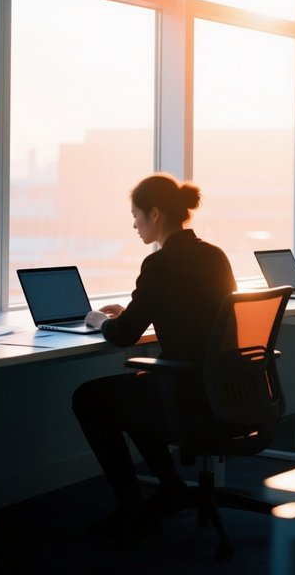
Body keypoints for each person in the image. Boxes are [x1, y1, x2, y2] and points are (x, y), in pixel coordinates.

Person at [72, 173, 236, 540]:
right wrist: (130, 311)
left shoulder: (161, 263)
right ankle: (170, 486)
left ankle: (132, 505)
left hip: (189, 392)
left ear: (156, 214)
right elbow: (189, 309)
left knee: (90, 397)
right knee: (139, 388)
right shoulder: (214, 255)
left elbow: (124, 336)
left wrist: (101, 319)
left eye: (136, 214)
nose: (133, 223)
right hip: (223, 388)